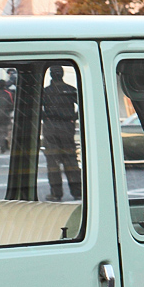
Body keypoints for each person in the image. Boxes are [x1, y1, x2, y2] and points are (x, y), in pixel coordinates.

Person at [41, 66, 81, 201]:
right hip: (67, 127)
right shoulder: (70, 90)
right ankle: (77, 191)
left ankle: (56, 193)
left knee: (53, 162)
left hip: (50, 126)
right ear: (62, 74)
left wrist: (45, 117)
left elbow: (36, 107)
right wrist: (73, 117)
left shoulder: (46, 91)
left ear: (51, 75)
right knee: (70, 160)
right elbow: (83, 104)